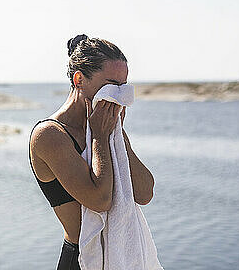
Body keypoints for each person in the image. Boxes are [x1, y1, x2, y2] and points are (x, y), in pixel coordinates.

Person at [28, 34, 155, 270]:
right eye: (110, 85)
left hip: (120, 256)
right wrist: (99, 137)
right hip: (80, 259)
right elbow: (100, 200)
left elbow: (145, 193)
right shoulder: (50, 135)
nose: (118, 95)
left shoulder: (107, 127)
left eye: (122, 87)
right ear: (79, 80)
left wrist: (118, 134)